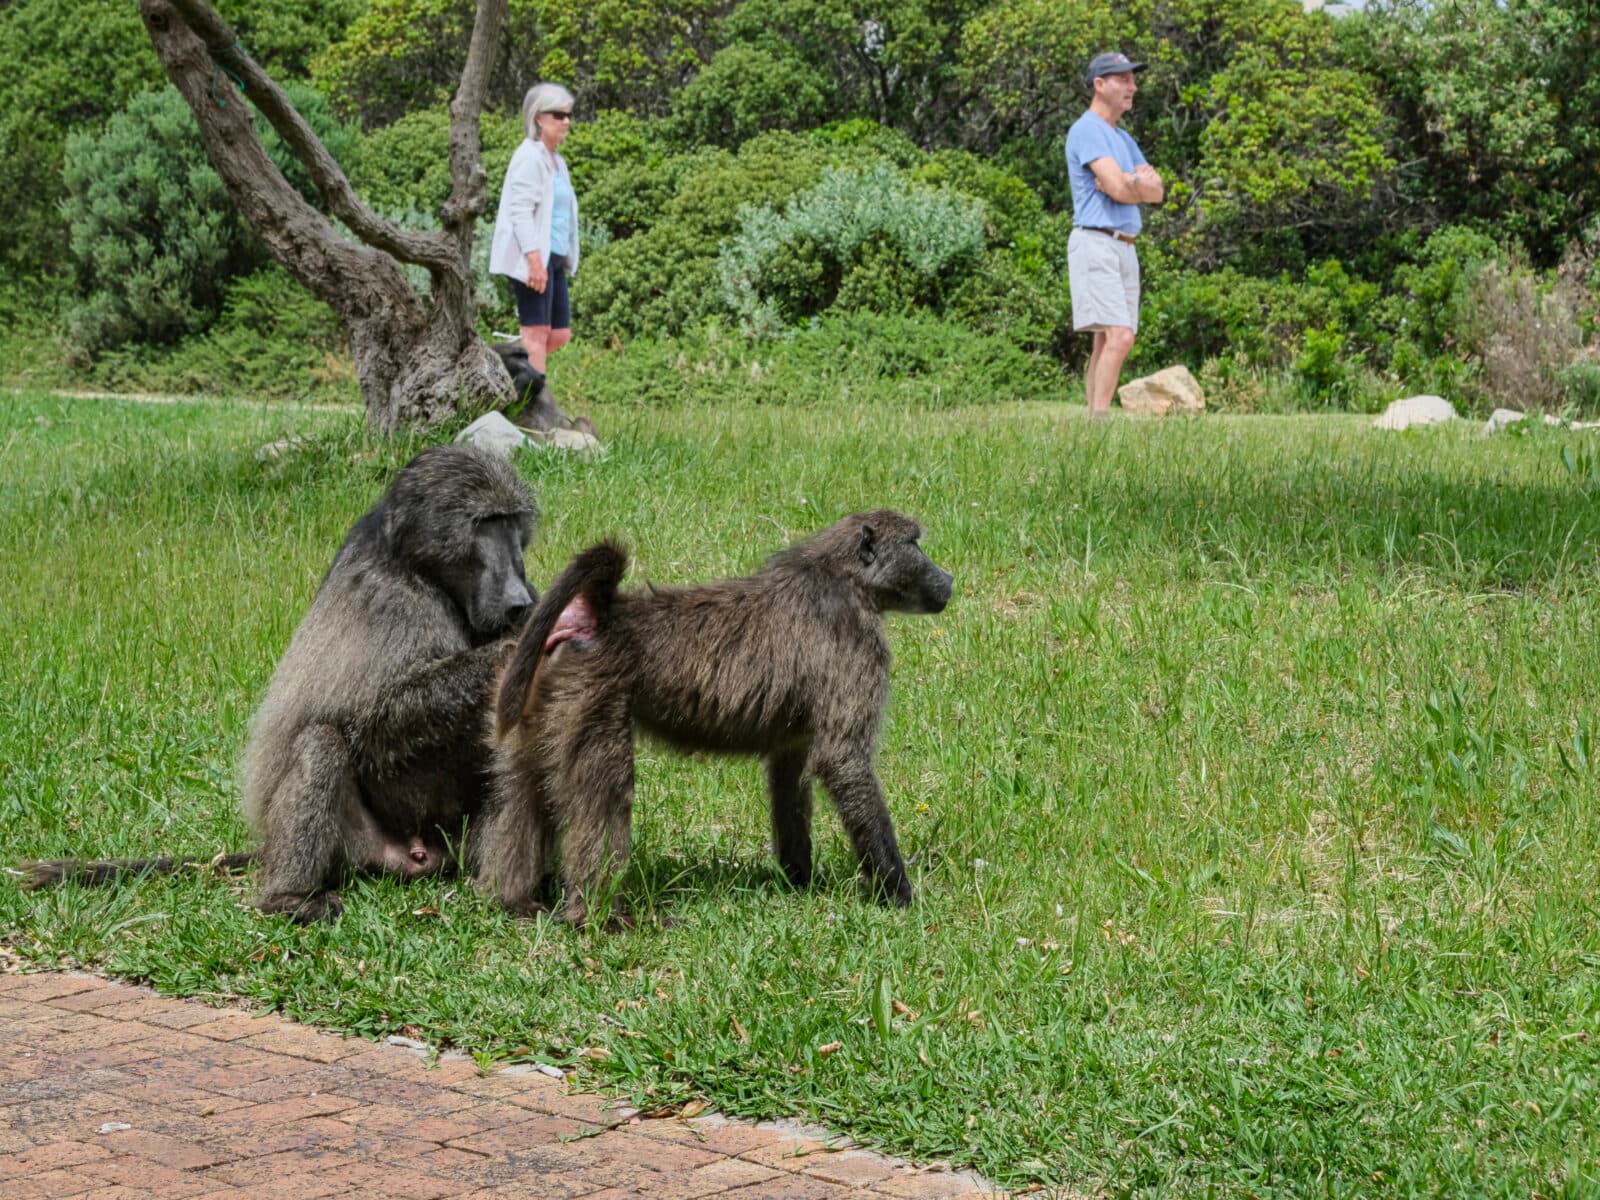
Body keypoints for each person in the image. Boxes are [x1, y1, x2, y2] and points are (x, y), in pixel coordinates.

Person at [1064, 52, 1164, 418]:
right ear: (1100, 84)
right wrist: (1131, 184)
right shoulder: (1087, 129)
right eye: (1123, 79)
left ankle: (1094, 422)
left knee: (1107, 340)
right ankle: (1100, 421)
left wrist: (1128, 183)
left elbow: (1157, 191)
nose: (1133, 87)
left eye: (1133, 79)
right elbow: (1120, 189)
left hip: (1125, 245)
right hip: (1096, 241)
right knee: (1120, 336)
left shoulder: (1122, 139)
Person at [490, 82, 581, 412]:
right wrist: (533, 260)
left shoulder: (557, 161)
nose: (566, 122)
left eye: (569, 115)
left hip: (554, 259)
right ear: (539, 118)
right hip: (533, 259)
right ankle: (531, 405)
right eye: (559, 115)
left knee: (559, 334)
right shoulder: (528, 157)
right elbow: (520, 212)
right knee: (537, 332)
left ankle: (512, 361)